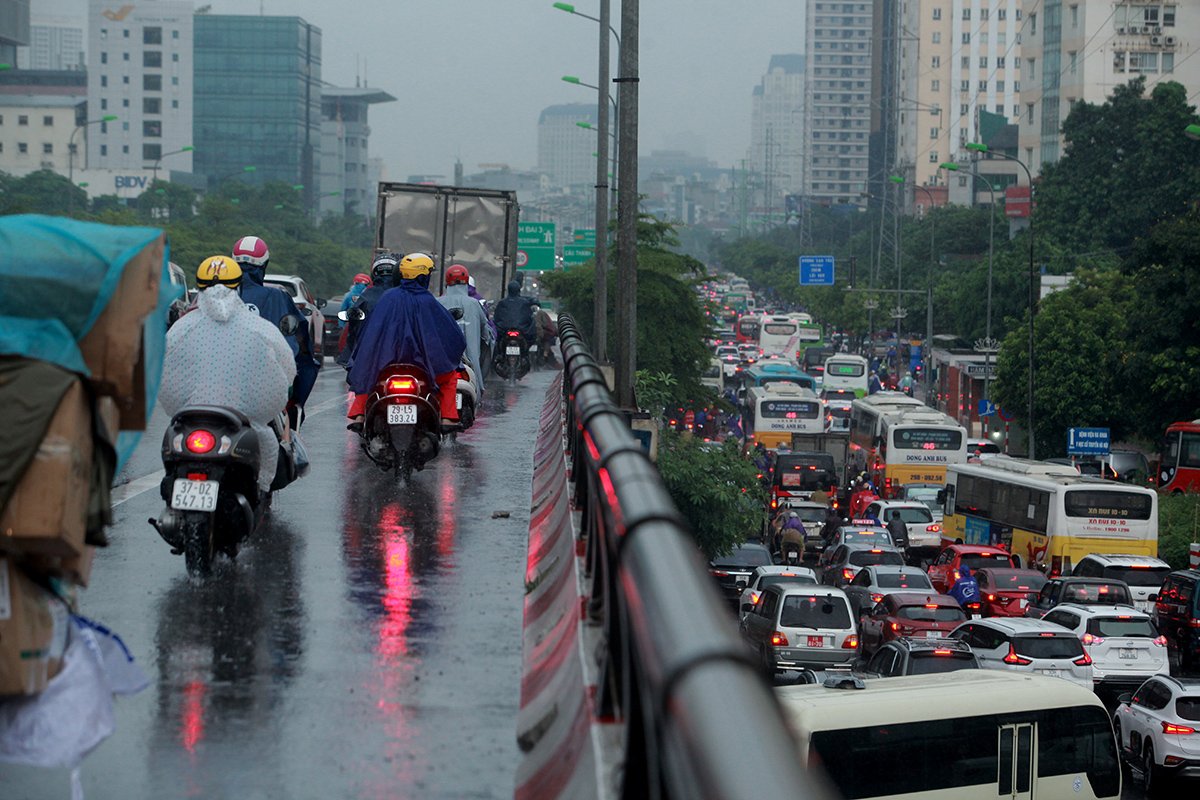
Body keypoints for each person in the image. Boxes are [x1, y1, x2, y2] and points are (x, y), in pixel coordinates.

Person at [159, 257, 295, 494]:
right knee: (266, 442)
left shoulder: (182, 328)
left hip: (190, 418)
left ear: (199, 288)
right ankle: (260, 490)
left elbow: (162, 371)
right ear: (238, 286)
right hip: (241, 421)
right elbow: (287, 369)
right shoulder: (259, 328)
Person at [346, 253, 467, 431]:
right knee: (449, 377)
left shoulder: (388, 298)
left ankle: (359, 414)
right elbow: (450, 334)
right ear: (422, 277)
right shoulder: (428, 301)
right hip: (422, 364)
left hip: (386, 362)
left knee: (368, 370)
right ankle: (448, 419)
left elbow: (371, 333)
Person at [231, 235, 319, 426]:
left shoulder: (209, 300)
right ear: (264, 265)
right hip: (266, 386)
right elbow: (301, 340)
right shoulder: (277, 297)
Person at [339, 254, 402, 368]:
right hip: (403, 354)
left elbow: (353, 326)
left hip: (371, 354)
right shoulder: (408, 296)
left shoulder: (365, 297)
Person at [437, 264, 495, 382]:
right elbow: (486, 333)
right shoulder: (475, 303)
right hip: (470, 363)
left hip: (442, 361)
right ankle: (479, 384)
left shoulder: (437, 302)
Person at [492, 278, 537, 344]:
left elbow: (496, 317)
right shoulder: (524, 302)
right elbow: (529, 318)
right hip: (522, 330)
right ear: (519, 290)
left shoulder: (502, 302)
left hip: (504, 330)